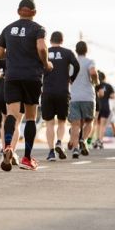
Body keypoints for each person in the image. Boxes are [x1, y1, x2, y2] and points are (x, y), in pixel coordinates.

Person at [0, 0, 51, 171]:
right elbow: (42, 48)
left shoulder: (8, 28)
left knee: (11, 114)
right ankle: (26, 158)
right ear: (34, 12)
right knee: (31, 116)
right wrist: (46, 63)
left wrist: (13, 55)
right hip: (32, 76)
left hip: (12, 76)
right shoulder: (38, 29)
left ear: (18, 11)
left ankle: (9, 146)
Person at [41, 31, 79, 161]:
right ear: (62, 40)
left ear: (50, 40)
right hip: (63, 91)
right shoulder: (67, 52)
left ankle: (51, 152)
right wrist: (71, 78)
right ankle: (59, 142)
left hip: (47, 91)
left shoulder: (44, 51)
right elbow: (77, 65)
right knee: (62, 122)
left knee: (49, 123)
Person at [67, 41, 98, 159]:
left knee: (75, 125)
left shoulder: (71, 63)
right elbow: (93, 72)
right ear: (86, 50)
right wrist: (95, 81)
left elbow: (68, 78)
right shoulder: (90, 61)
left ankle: (75, 149)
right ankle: (83, 140)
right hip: (88, 97)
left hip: (74, 97)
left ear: (76, 50)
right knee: (89, 121)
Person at [94, 71, 114, 150]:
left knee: (97, 125)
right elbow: (112, 96)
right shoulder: (108, 86)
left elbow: (99, 94)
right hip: (106, 106)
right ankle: (100, 141)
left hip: (97, 106)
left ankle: (96, 140)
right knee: (103, 125)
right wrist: (107, 95)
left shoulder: (96, 85)